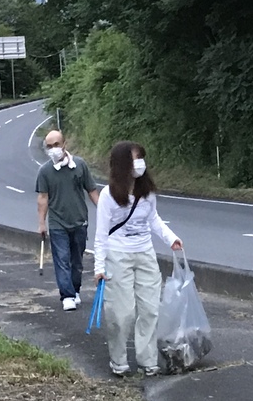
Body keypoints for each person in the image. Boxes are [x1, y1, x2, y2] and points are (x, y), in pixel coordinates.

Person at [94, 141, 183, 377]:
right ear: (123, 164)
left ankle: (148, 360)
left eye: (141, 158)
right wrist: (99, 266)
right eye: (134, 159)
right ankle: (119, 360)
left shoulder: (147, 192)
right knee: (122, 313)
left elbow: (153, 219)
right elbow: (101, 234)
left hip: (145, 252)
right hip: (118, 253)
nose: (139, 163)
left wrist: (171, 238)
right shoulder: (108, 195)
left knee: (150, 309)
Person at [36, 130, 100, 311]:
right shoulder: (45, 171)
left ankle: (75, 289)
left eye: (56, 145)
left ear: (64, 144)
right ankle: (67, 295)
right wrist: (42, 223)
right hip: (57, 224)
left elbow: (92, 191)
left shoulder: (80, 165)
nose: (53, 149)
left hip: (79, 221)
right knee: (62, 259)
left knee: (76, 260)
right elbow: (43, 198)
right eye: (49, 146)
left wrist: (105, 213)